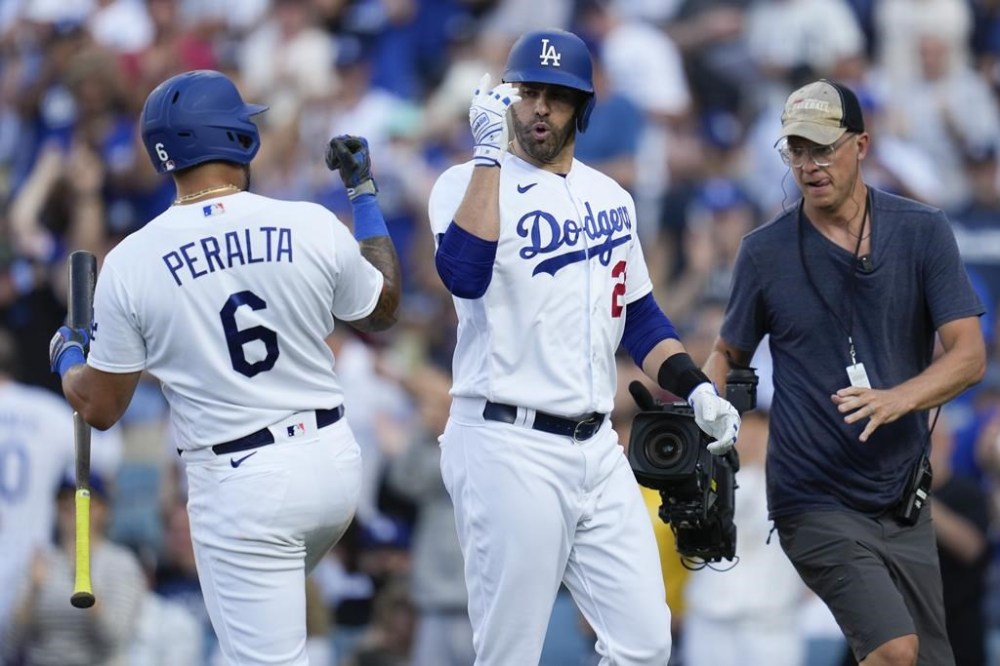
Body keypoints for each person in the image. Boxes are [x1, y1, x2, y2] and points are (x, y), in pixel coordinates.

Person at [48, 69, 401, 665]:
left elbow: (100, 408)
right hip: (334, 468)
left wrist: (70, 355)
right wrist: (363, 194)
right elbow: (383, 305)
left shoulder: (131, 260)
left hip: (242, 484)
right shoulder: (309, 221)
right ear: (236, 138)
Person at [427, 29, 741, 665]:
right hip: (505, 441)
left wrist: (696, 385)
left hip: (598, 448)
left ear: (583, 109)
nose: (540, 107)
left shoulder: (611, 197)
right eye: (528, 92)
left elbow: (641, 317)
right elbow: (462, 275)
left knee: (647, 644)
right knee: (509, 652)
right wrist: (488, 158)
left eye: (558, 96)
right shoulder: (467, 182)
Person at [704, 78, 987, 666]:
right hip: (812, 494)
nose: (809, 165)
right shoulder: (764, 251)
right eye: (796, 151)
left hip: (901, 492)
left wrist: (895, 400)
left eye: (823, 148)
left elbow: (968, 355)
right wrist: (706, 416)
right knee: (894, 652)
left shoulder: (921, 230)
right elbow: (727, 354)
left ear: (861, 144)